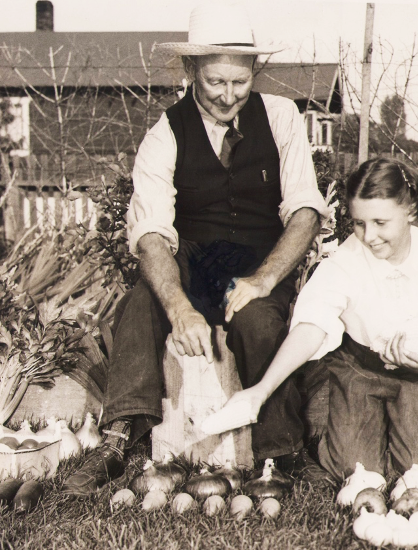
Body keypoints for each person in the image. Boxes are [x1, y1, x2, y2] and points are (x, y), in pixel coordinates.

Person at [62, 3, 329, 496]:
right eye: (215, 83)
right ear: (190, 71)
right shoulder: (163, 134)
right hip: (192, 260)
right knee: (142, 302)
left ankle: (285, 454)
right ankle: (119, 441)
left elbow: (305, 211)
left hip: (256, 263)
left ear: (254, 73)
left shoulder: (282, 118)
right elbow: (149, 234)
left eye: (240, 82)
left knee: (261, 321)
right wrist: (181, 308)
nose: (229, 95)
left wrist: (265, 280)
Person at [224, 157, 418, 481]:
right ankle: (355, 420)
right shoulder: (346, 259)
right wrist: (262, 390)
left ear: (410, 211)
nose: (369, 235)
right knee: (355, 471)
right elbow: (312, 323)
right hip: (360, 369)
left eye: (380, 222)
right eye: (359, 223)